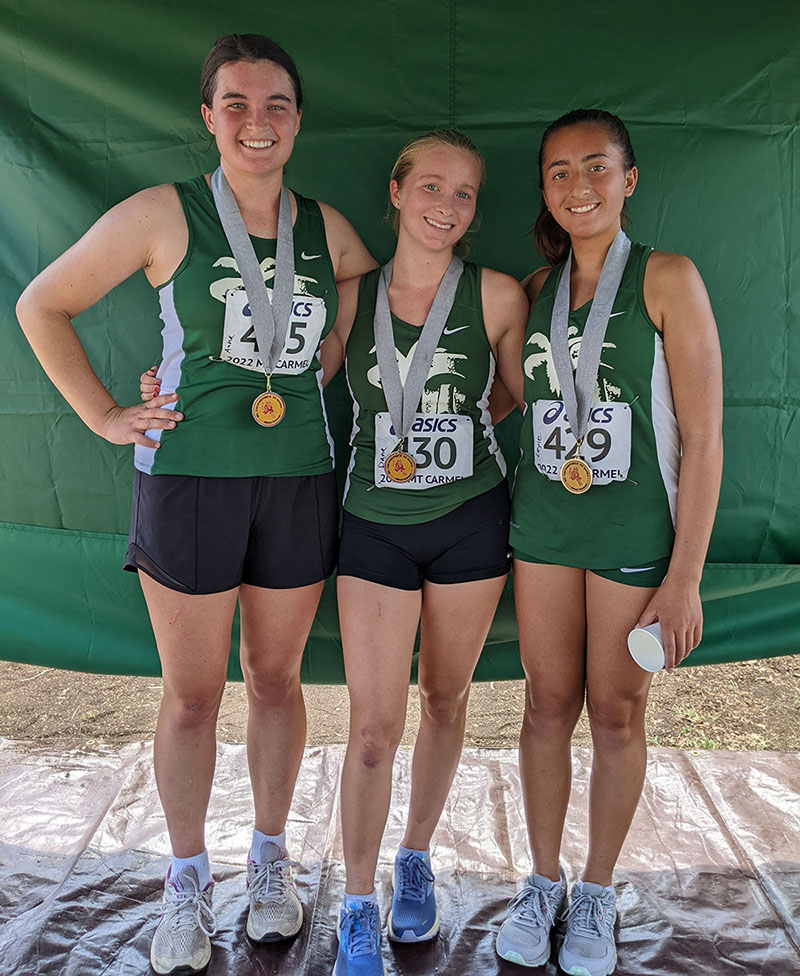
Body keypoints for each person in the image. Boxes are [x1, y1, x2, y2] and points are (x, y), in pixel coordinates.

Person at [16, 33, 375, 976]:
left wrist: (328, 353)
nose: (258, 122)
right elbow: (41, 305)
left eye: (276, 105)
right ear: (209, 117)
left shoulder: (325, 227)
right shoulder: (161, 213)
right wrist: (106, 415)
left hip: (297, 476)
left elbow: (361, 279)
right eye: (237, 104)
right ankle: (184, 881)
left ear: (297, 119)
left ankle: (269, 863)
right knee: (192, 696)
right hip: (186, 482)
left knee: (275, 681)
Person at [496, 109, 723, 976]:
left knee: (617, 712)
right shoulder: (534, 288)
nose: (578, 185)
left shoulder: (668, 277)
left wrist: (685, 576)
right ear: (544, 190)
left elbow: (705, 438)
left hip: (633, 533)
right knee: (546, 706)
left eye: (596, 167)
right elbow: (502, 400)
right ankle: (542, 881)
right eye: (559, 171)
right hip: (544, 529)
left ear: (628, 180)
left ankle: (595, 890)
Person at [321, 130, 528, 976]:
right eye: (431, 187)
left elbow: (520, 392)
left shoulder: (498, 295)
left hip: (471, 519)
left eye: (464, 193)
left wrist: (454, 431)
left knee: (444, 700)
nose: (447, 205)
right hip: (373, 522)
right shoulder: (350, 296)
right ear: (398, 193)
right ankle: (356, 904)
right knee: (373, 731)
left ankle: (415, 858)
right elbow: (295, 377)